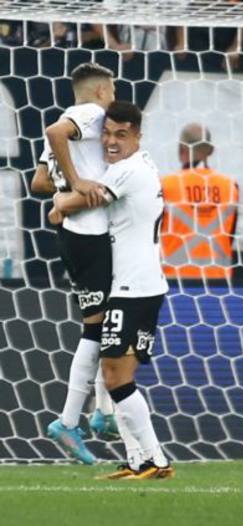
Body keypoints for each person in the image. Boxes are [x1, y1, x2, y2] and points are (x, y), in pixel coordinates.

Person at [50, 101, 172, 479]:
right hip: (140, 285)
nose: (111, 141)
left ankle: (156, 459)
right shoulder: (143, 164)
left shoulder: (127, 171)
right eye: (106, 133)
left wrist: (59, 200)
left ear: (137, 136)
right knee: (114, 375)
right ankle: (139, 459)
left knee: (116, 377)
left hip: (134, 288)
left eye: (121, 134)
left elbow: (73, 202)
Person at [33, 63, 117, 464]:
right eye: (112, 90)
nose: (114, 97)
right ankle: (69, 421)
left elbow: (38, 183)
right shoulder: (91, 115)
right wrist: (79, 183)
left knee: (109, 322)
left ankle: (103, 412)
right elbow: (55, 132)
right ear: (100, 91)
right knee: (97, 328)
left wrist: (67, 188)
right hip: (90, 233)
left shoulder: (77, 126)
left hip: (74, 232)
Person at [160, 123, 239, 281]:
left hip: (174, 280)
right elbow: (230, 235)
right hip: (220, 281)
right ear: (210, 151)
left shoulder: (165, 185)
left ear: (181, 150)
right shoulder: (231, 186)